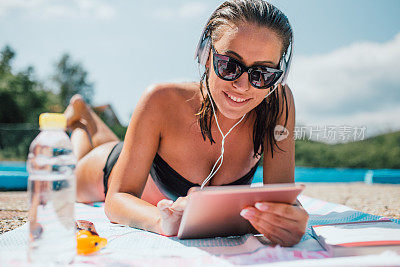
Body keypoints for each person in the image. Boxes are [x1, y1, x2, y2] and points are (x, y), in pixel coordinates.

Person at [66, 0, 309, 247]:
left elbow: (281, 199)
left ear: (280, 75)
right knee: (72, 167)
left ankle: (86, 115)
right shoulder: (161, 100)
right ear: (205, 55)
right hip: (108, 168)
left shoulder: (278, 104)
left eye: (262, 74)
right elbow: (117, 199)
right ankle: (80, 120)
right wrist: (161, 220)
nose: (243, 86)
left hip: (135, 151)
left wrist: (291, 218)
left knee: (108, 141)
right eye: (229, 65)